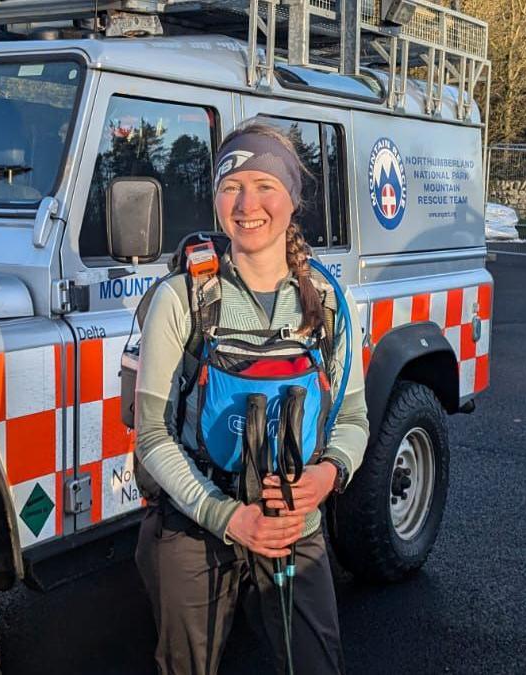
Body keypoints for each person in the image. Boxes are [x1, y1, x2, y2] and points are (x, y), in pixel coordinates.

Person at [133, 120, 368, 675]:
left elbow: (352, 417)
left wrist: (325, 478)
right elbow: (151, 435)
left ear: (292, 198)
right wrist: (228, 517)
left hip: (294, 522)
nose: (247, 203)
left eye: (265, 185)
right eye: (231, 186)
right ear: (215, 198)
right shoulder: (181, 298)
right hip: (198, 520)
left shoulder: (331, 302)